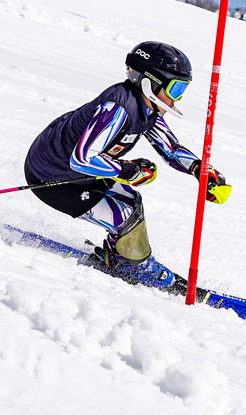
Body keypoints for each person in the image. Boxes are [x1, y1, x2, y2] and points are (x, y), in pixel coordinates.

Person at [23, 41, 230, 288]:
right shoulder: (117, 108)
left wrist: (200, 170)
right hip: (50, 176)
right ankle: (137, 267)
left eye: (183, 89)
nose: (178, 99)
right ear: (149, 81)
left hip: (77, 173)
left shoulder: (147, 108)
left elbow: (171, 148)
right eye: (175, 89)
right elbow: (83, 158)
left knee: (132, 201)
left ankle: (118, 255)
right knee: (125, 215)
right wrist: (128, 170)